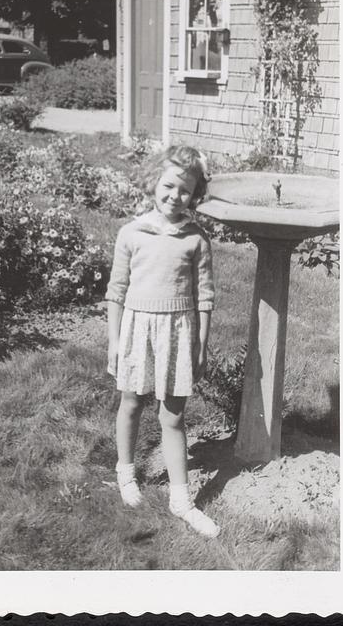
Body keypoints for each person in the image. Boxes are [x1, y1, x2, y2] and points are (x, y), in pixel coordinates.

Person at [106, 144, 220, 538]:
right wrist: (114, 341)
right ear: (154, 181)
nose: (175, 196)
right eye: (169, 185)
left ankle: (181, 500)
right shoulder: (132, 233)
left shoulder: (196, 240)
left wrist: (200, 345)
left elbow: (205, 298)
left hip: (178, 333)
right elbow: (116, 291)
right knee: (133, 402)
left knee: (172, 416)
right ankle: (126, 474)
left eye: (185, 190)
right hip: (137, 331)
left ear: (195, 195)